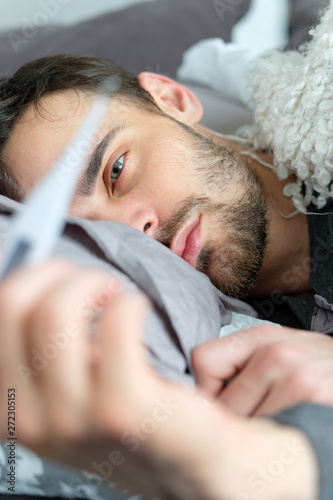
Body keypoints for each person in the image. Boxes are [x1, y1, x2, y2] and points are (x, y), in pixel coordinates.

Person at [0, 55, 333, 498]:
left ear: (172, 99)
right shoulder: (226, 363)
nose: (134, 232)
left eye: (116, 170)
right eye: (99, 238)